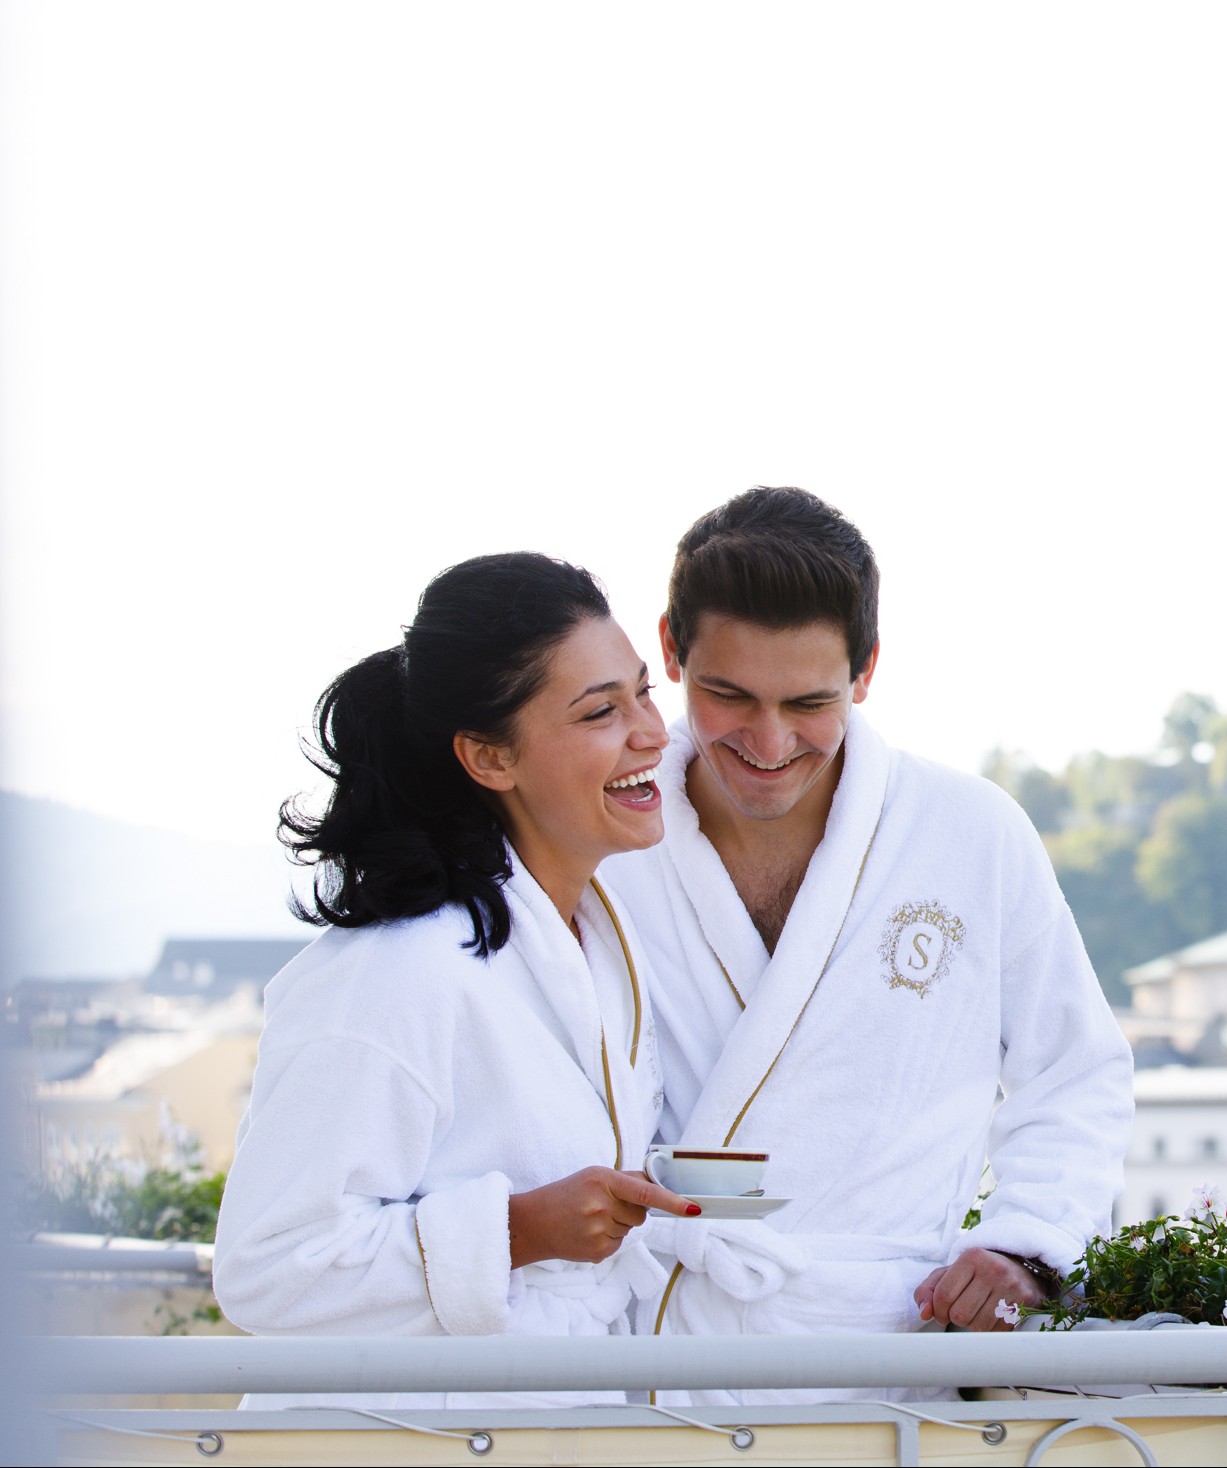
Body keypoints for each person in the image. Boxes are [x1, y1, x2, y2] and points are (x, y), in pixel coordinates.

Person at [601, 487, 1134, 1405]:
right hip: (648, 1354)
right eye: (728, 696)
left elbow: (1074, 1071)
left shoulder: (970, 833)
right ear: (671, 649)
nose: (768, 743)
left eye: (808, 702)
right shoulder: (605, 841)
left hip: (887, 1353)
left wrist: (1027, 1244)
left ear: (867, 669)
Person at [215, 553, 696, 1410]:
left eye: (644, 693)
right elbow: (265, 1269)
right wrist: (514, 1231)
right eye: (601, 711)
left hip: (548, 1423)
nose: (653, 733)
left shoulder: (597, 945)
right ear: (487, 756)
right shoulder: (392, 977)